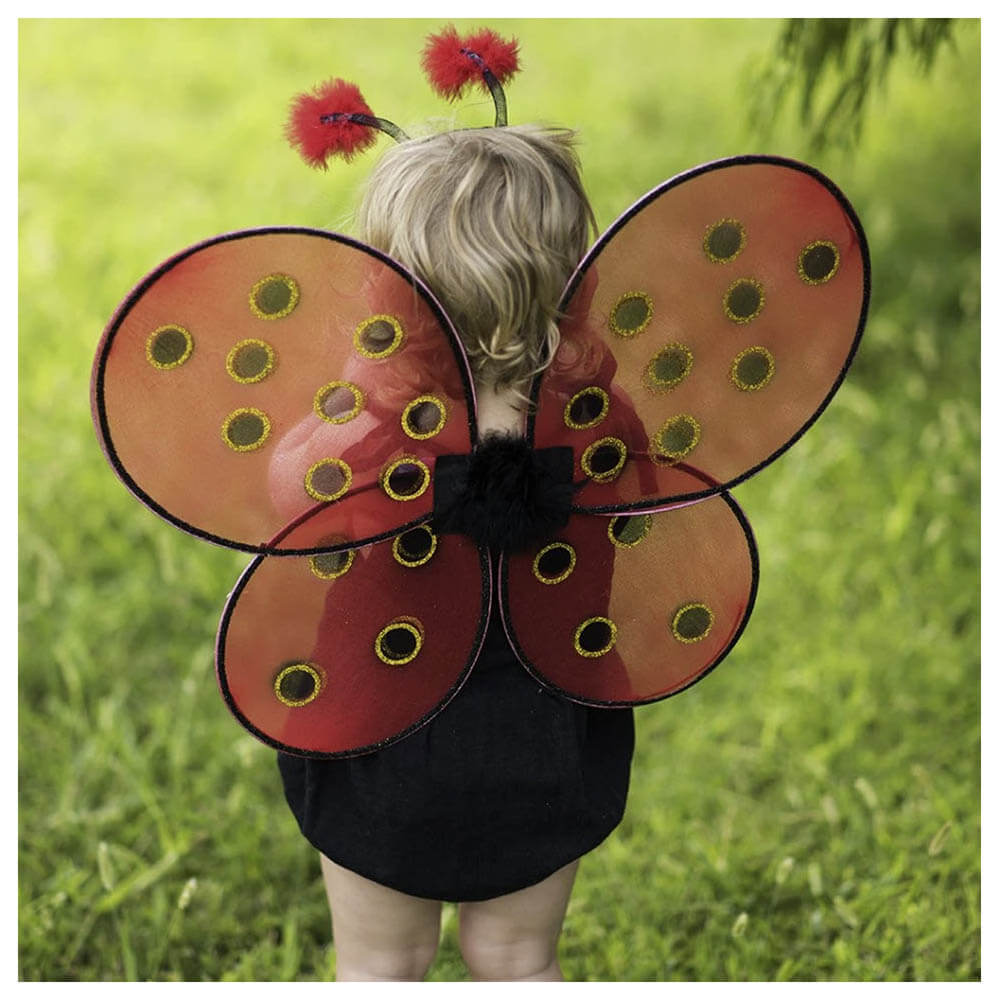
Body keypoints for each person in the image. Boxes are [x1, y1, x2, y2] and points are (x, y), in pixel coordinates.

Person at [275, 123, 636, 982]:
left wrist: (357, 392)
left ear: (399, 289)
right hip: (547, 732)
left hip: (383, 736)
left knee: (381, 966)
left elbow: (284, 495)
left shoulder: (370, 438)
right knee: (516, 957)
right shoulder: (599, 422)